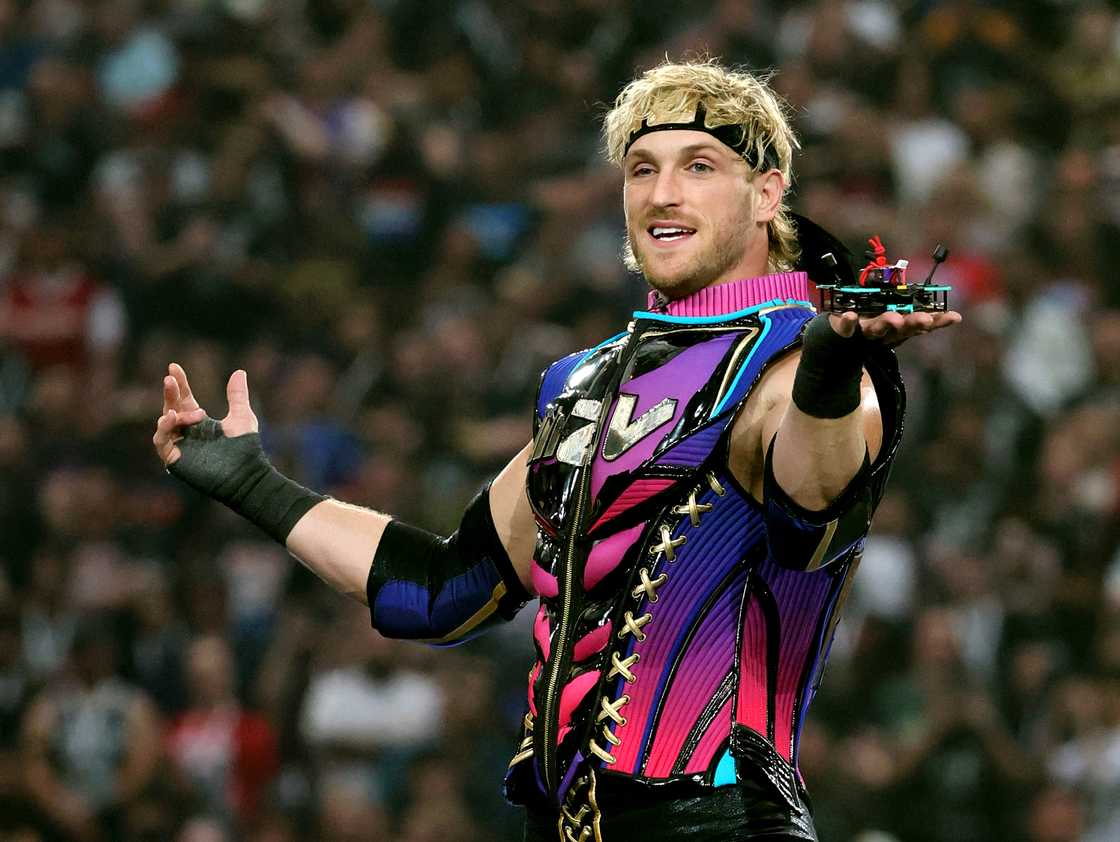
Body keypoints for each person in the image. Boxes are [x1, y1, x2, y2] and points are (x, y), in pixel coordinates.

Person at [153, 59, 960, 841]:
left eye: (699, 166)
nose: (663, 194)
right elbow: (442, 589)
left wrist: (830, 361)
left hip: (719, 820)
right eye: (641, 170)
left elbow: (807, 506)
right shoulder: (584, 380)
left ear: (766, 194)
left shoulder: (797, 365)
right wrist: (253, 484)